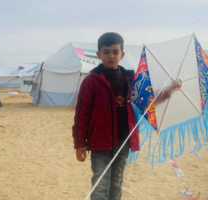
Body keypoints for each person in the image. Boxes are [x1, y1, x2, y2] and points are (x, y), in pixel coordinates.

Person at [72, 32, 140, 200]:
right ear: (98, 55)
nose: (111, 56)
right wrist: (80, 143)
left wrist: (168, 92)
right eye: (106, 51)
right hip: (99, 142)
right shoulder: (91, 81)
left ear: (122, 55)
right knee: (100, 182)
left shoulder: (131, 80)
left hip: (123, 140)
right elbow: (82, 114)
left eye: (115, 52)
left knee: (116, 181)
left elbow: (147, 100)